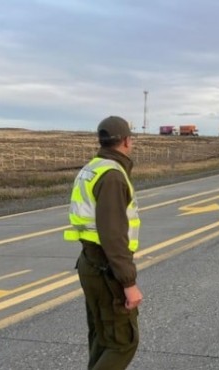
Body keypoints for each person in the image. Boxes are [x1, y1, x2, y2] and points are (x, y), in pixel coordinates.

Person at [64, 116, 143, 370]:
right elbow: (113, 235)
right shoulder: (112, 176)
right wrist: (128, 283)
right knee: (122, 343)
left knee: (102, 337)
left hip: (90, 263)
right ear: (127, 141)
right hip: (105, 269)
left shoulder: (92, 168)